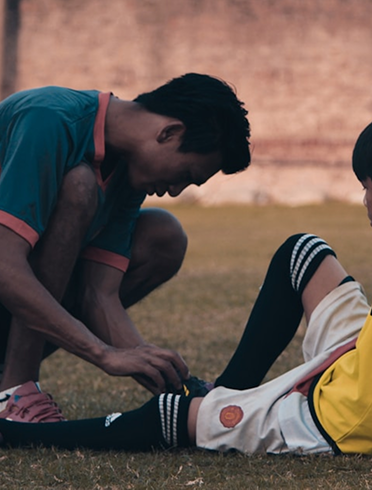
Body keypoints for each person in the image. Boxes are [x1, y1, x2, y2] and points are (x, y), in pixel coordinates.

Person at [0, 99, 372, 474]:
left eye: (367, 188)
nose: (364, 202)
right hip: (367, 361)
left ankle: (17, 436)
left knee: (179, 418)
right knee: (303, 253)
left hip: (354, 414)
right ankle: (230, 391)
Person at [0, 73, 251, 422]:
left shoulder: (128, 172)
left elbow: (98, 294)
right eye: (185, 175)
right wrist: (102, 353)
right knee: (80, 185)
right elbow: (5, 264)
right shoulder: (48, 118)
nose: (175, 190)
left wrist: (168, 379)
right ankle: (13, 393)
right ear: (169, 132)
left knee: (164, 235)